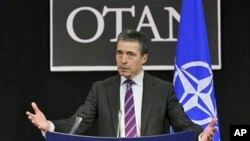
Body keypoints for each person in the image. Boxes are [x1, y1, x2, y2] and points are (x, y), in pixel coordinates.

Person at [26, 29, 216, 141]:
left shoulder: (163, 90)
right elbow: (77, 123)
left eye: (130, 54)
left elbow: (182, 124)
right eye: (119, 53)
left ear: (144, 58)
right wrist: (48, 125)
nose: (123, 60)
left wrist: (201, 136)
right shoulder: (101, 89)